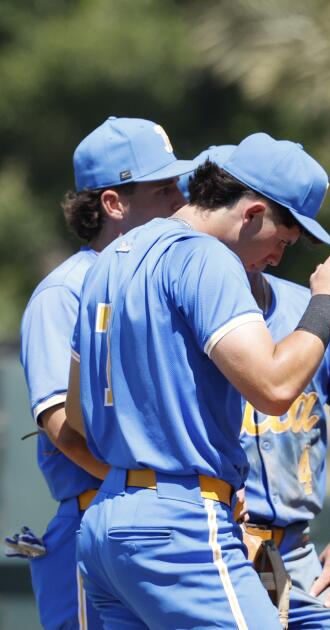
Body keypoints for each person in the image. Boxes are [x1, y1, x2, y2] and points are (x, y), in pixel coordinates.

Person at [66, 131, 330, 629]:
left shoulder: (111, 259)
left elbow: (78, 415)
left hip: (107, 523)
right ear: (253, 213)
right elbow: (274, 388)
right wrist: (327, 303)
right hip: (179, 526)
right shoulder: (205, 256)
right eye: (283, 240)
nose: (277, 258)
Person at [16, 116, 193, 630]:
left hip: (160, 518)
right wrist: (162, 492)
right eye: (163, 189)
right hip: (94, 520)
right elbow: (66, 434)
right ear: (114, 203)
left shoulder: (162, 282)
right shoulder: (63, 293)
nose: (179, 200)